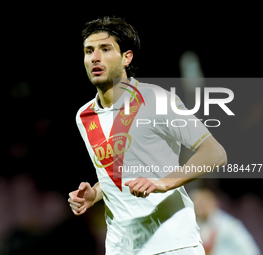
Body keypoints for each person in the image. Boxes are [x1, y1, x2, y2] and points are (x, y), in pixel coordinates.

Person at [68, 16, 227, 255]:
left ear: (126, 58)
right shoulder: (84, 116)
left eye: (105, 49)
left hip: (173, 243)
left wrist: (164, 182)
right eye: (88, 51)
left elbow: (215, 153)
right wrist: (96, 193)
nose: (95, 57)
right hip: (121, 248)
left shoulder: (157, 99)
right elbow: (117, 172)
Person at [190, 188, 261, 255]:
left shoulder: (229, 225)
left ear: (213, 202)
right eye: (197, 203)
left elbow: (250, 250)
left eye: (202, 203)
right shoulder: (196, 225)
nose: (200, 207)